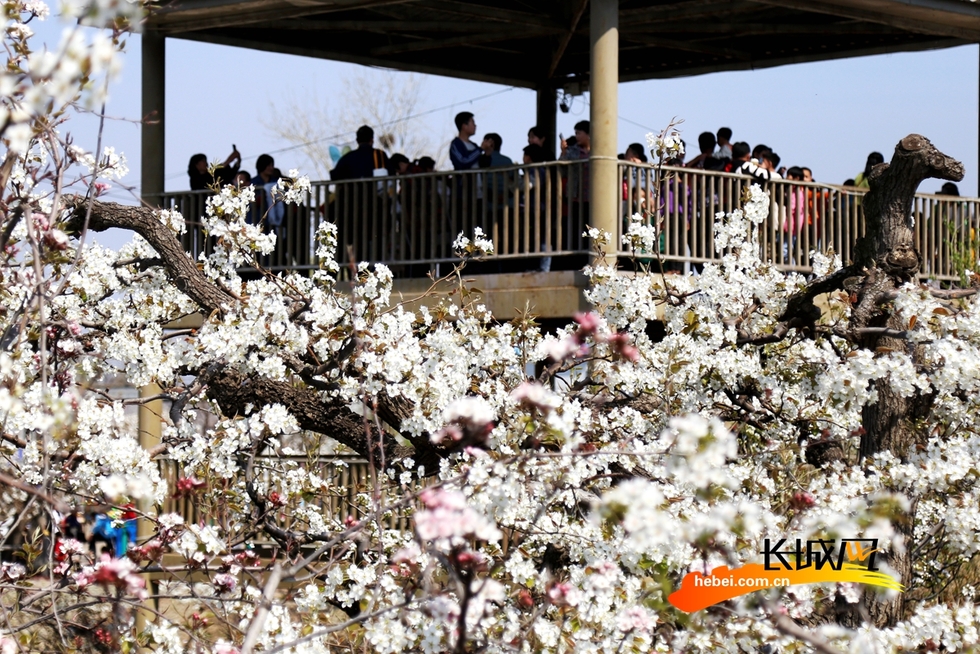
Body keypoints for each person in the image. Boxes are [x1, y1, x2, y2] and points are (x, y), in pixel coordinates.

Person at [559, 120, 590, 268]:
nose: (576, 136)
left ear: (588, 134)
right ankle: (575, 261)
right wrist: (563, 152)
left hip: (592, 197)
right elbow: (562, 170)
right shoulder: (572, 150)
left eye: (579, 133)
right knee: (575, 229)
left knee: (589, 228)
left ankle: (588, 258)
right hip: (575, 196)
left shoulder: (599, 149)